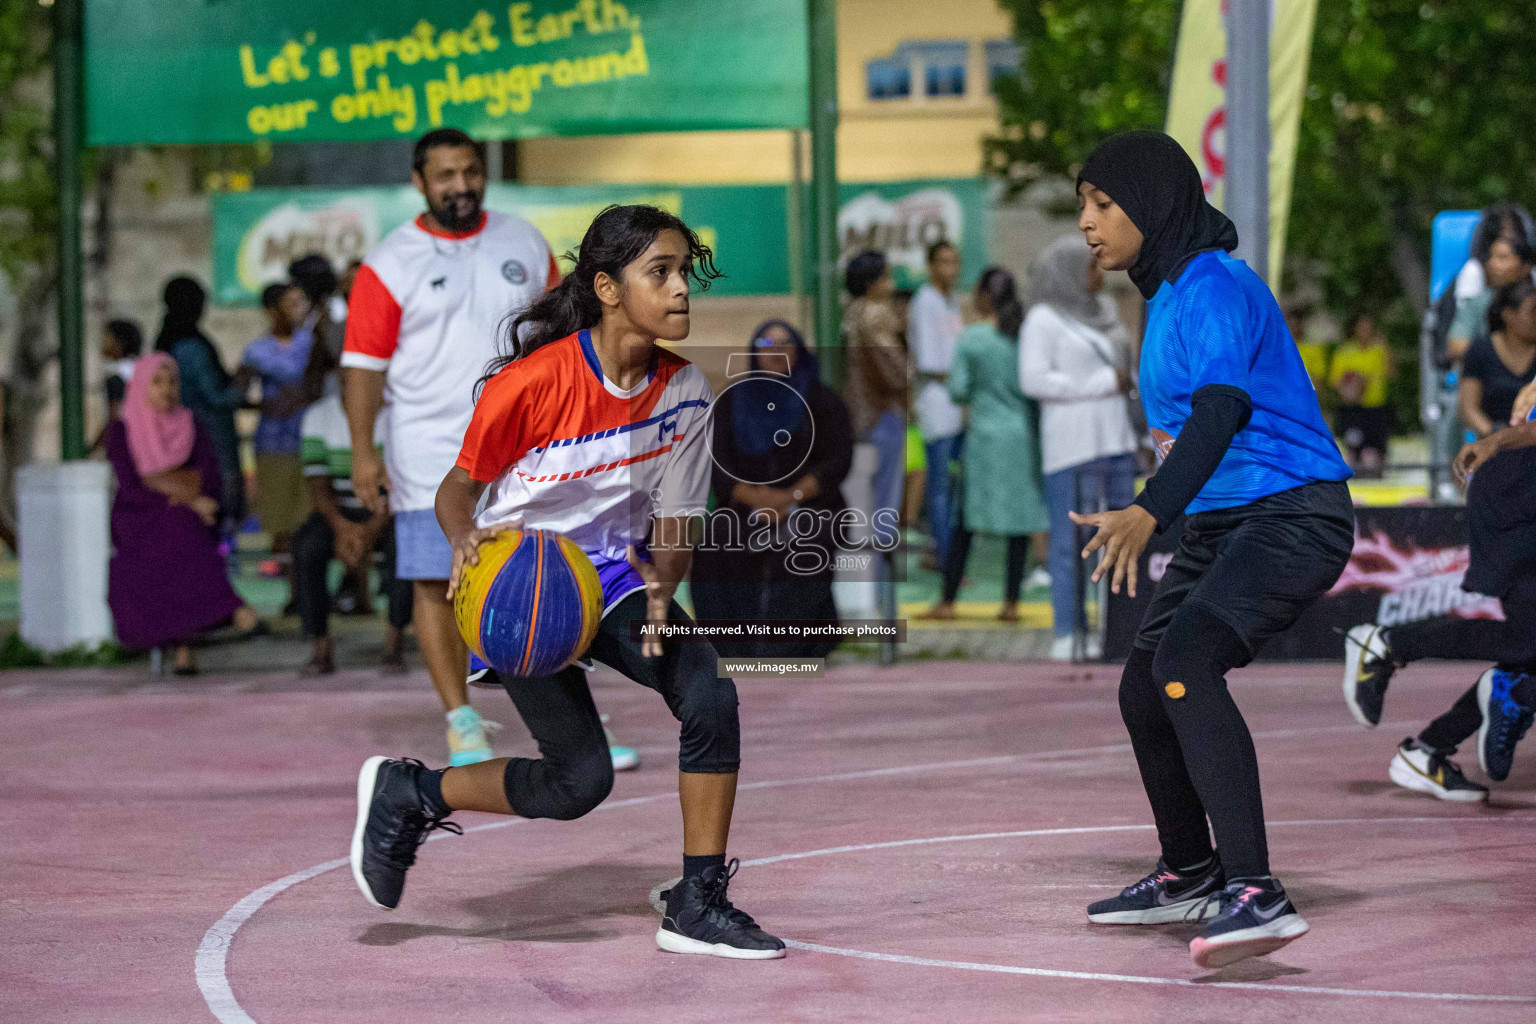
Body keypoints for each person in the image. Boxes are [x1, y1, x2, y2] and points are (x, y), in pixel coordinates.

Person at [351, 204, 784, 960]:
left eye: (685, 272)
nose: (682, 289)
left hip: (613, 575)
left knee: (710, 692)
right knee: (577, 784)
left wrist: (663, 586)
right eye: (662, 272)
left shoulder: (684, 393)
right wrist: (464, 543)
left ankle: (697, 899)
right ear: (608, 288)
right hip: (523, 581)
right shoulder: (533, 383)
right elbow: (457, 489)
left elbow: (679, 520)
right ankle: (413, 792)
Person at [1069, 131, 1354, 969]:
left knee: (1186, 660)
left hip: (1292, 515)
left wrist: (1150, 512)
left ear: (1152, 206)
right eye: (1082, 204)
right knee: (1143, 684)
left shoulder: (1216, 287)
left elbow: (1222, 409)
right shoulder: (1167, 296)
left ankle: (1257, 892)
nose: (1087, 221)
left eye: (1102, 204)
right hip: (1225, 520)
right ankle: (1192, 871)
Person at [341, 128, 558, 767]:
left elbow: (558, 339)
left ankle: (561, 725)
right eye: (445, 175)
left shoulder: (523, 241)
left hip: (522, 445)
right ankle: (460, 719)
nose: (460, 186)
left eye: (469, 172)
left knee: (534, 575)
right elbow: (363, 367)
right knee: (436, 581)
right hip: (429, 448)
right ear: (419, 181)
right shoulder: (390, 262)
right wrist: (361, 451)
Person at [1343, 411, 1536, 799]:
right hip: (1519, 492)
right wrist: (1498, 439)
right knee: (1528, 643)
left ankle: (1426, 751)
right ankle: (1387, 644)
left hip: (1515, 488)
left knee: (1528, 646)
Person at [692, 320, 854, 656]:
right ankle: (731, 650)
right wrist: (759, 499)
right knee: (716, 543)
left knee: (803, 545)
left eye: (785, 344)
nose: (776, 352)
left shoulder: (822, 401)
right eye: (767, 344)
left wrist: (787, 498)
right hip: (745, 505)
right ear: (754, 352)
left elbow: (837, 461)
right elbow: (716, 465)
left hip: (812, 504)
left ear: (798, 352)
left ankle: (792, 650)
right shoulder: (731, 401)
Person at [104, 353, 265, 675]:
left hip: (182, 514)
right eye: (157, 382)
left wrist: (165, 485)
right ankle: (229, 610)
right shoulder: (121, 431)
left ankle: (185, 646)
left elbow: (208, 479)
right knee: (178, 529)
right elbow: (133, 488)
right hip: (137, 517)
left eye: (172, 382)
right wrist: (184, 493)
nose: (167, 390)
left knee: (181, 529)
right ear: (140, 387)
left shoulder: (191, 424)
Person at [1019, 234, 1139, 660]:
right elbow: (1032, 380)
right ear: (1067, 271)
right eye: (1089, 266)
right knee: (1070, 542)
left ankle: (1118, 630)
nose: (1098, 273)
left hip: (1116, 441)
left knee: (1122, 541)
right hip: (1071, 449)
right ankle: (1068, 631)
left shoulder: (1106, 312)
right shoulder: (1043, 320)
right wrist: (1101, 384)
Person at [922, 267, 1047, 622]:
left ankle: (947, 601)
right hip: (1021, 435)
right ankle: (1010, 603)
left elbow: (958, 390)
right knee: (1019, 522)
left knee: (966, 517)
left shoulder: (972, 339)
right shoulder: (1023, 336)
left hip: (984, 436)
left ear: (985, 297)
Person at [294, 353, 412, 676]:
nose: (356, 380)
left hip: (384, 512)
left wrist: (368, 530)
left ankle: (394, 641)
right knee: (307, 548)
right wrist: (344, 528)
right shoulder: (318, 417)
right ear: (339, 376)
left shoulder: (395, 418)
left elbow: (399, 486)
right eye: (349, 373)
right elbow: (317, 486)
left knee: (406, 546)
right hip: (337, 513)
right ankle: (320, 644)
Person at [155, 276, 253, 528]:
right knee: (214, 517)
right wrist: (244, 381)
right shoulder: (191, 347)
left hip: (181, 443)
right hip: (208, 442)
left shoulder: (167, 341)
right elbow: (216, 397)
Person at [243, 283, 316, 588]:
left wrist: (302, 398)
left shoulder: (312, 344)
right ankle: (291, 590)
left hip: (309, 442)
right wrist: (268, 403)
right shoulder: (256, 351)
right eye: (290, 304)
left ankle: (305, 589)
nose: (297, 311)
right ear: (272, 310)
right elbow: (239, 393)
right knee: (279, 520)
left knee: (309, 518)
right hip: (273, 444)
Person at [841, 250, 907, 551]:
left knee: (863, 508)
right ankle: (882, 595)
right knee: (884, 509)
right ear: (872, 282)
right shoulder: (875, 313)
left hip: (860, 416)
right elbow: (895, 371)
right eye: (886, 276)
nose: (891, 284)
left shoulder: (851, 312)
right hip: (883, 415)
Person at [908, 240, 965, 569]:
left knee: (950, 488)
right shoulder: (925, 302)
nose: (951, 270)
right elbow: (930, 363)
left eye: (955, 262)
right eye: (944, 262)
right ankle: (947, 560)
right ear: (931, 266)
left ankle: (940, 550)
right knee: (941, 488)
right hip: (937, 406)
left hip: (955, 407)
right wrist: (963, 381)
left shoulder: (951, 302)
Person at [1458, 276, 1536, 438]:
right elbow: (1468, 408)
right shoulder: (1480, 351)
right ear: (1508, 315)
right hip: (1492, 444)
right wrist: (1497, 435)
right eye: (1533, 312)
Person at [1327, 313, 1395, 476]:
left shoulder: (1379, 350)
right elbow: (1335, 381)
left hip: (1376, 408)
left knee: (1375, 450)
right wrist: (1353, 385)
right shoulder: (1345, 351)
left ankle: (1378, 480)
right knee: (1354, 448)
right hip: (1354, 410)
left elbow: (1392, 374)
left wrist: (1385, 348)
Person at [102, 319, 142, 422]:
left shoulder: (116, 375)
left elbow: (115, 417)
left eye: (107, 336)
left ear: (119, 343)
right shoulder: (142, 368)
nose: (103, 341)